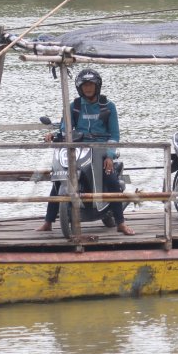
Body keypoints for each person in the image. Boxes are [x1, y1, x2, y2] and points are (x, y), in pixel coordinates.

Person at [38, 68, 134, 235]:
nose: (88, 88)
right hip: (77, 148)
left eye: (91, 85)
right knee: (59, 178)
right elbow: (64, 129)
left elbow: (115, 135)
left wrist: (110, 155)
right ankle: (48, 221)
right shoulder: (74, 106)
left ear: (97, 86)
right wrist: (52, 135)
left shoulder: (108, 106)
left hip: (100, 149)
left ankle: (121, 223)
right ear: (79, 88)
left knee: (111, 181)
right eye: (85, 85)